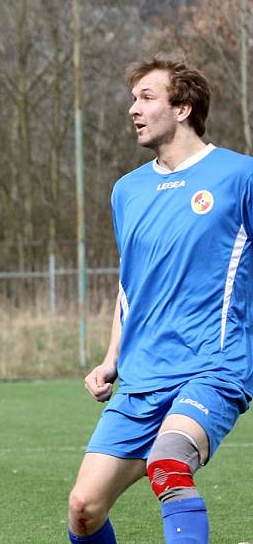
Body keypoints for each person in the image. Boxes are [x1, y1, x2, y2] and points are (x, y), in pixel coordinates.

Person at [67, 55, 253, 543]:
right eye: (134, 99)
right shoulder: (126, 191)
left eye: (146, 97)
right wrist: (111, 359)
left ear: (184, 107)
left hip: (214, 366)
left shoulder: (239, 176)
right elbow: (131, 287)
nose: (133, 108)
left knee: (168, 463)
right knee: (84, 509)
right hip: (142, 375)